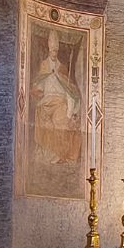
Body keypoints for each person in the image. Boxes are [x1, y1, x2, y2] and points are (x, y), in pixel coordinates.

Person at [31, 33, 82, 165]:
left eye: (56, 50)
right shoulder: (44, 65)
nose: (54, 52)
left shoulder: (62, 68)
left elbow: (68, 87)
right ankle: (48, 154)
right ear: (49, 50)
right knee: (43, 120)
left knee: (60, 123)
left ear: (57, 51)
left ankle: (59, 155)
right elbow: (40, 83)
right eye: (52, 50)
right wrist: (36, 89)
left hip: (60, 101)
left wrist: (59, 77)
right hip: (46, 101)